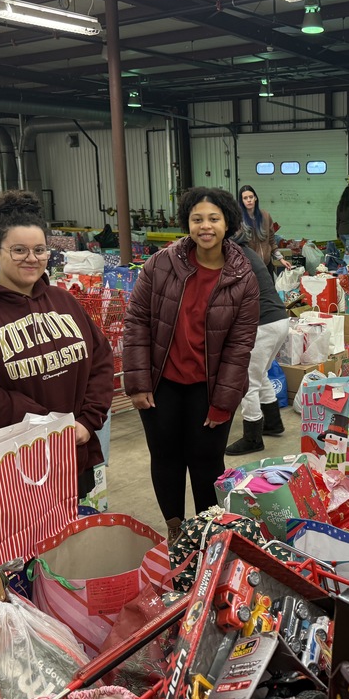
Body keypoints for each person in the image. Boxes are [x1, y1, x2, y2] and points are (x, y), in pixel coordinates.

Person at [0, 190, 115, 497]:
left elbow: (101, 360)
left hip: (72, 450)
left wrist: (87, 421)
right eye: (19, 250)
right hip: (14, 464)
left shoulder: (63, 301)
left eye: (40, 250)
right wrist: (45, 426)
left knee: (73, 534)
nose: (32, 259)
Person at [123, 187, 260, 541]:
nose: (205, 226)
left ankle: (206, 533)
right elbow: (137, 319)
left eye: (213, 218)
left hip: (209, 387)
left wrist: (223, 402)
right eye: (197, 218)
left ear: (227, 223)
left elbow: (239, 345)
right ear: (187, 222)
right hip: (162, 383)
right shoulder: (161, 263)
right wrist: (137, 382)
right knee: (165, 457)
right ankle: (175, 530)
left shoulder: (243, 277)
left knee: (206, 463)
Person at [225, 228, 291, 456]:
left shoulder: (232, 254)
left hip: (263, 324)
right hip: (279, 320)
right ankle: (273, 423)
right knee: (260, 373)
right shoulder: (246, 250)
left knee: (247, 380)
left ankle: (252, 438)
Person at [238, 184, 291, 277]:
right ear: (242, 201)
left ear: (255, 198)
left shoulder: (265, 216)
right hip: (249, 268)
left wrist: (281, 259)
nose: (249, 200)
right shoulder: (238, 220)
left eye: (251, 197)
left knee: (269, 291)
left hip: (266, 265)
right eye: (245, 198)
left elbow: (271, 240)